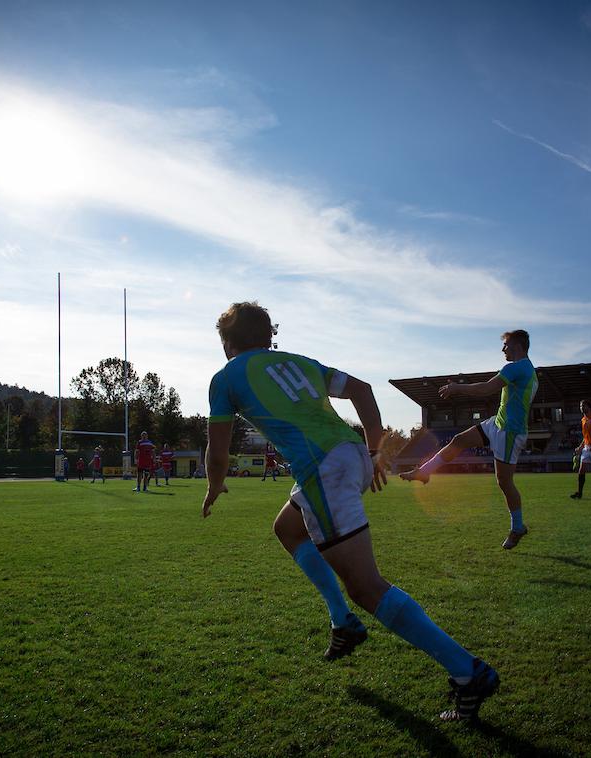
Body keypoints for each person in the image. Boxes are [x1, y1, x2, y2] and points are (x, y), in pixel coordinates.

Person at [202, 302, 499, 722]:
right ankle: (342, 621)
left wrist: (215, 484)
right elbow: (361, 389)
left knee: (366, 587)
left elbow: (218, 447)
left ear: (228, 343)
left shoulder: (226, 377)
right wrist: (376, 450)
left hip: (323, 470)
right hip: (351, 454)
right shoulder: (299, 362)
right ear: (269, 337)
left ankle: (469, 673)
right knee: (288, 527)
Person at [401, 330, 538, 550]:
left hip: (510, 432)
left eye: (506, 345)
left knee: (504, 482)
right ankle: (423, 472)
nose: (503, 349)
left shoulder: (517, 367)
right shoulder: (525, 369)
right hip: (497, 424)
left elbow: (486, 389)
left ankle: (518, 527)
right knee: (458, 440)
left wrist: (457, 388)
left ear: (518, 346)